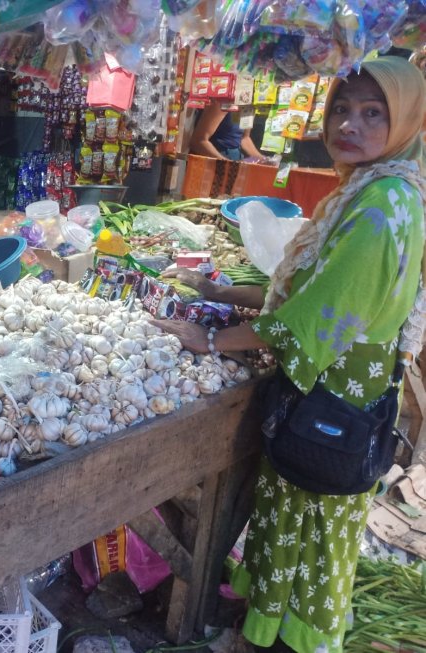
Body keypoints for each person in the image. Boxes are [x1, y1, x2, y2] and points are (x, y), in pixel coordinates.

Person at [156, 56, 426, 653]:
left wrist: (211, 339)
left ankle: (286, 642)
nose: (348, 124)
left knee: (312, 521)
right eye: (340, 109)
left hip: (335, 400)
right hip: (333, 391)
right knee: (296, 517)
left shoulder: (383, 207)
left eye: (373, 113)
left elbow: (314, 319)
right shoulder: (371, 190)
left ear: (406, 121)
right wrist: (222, 292)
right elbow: (307, 287)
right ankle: (267, 627)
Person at [189, 99, 264, 161]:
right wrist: (226, 164)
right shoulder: (224, 101)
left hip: (235, 158)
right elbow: (198, 141)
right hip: (213, 157)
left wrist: (264, 160)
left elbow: (244, 139)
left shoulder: (249, 105)